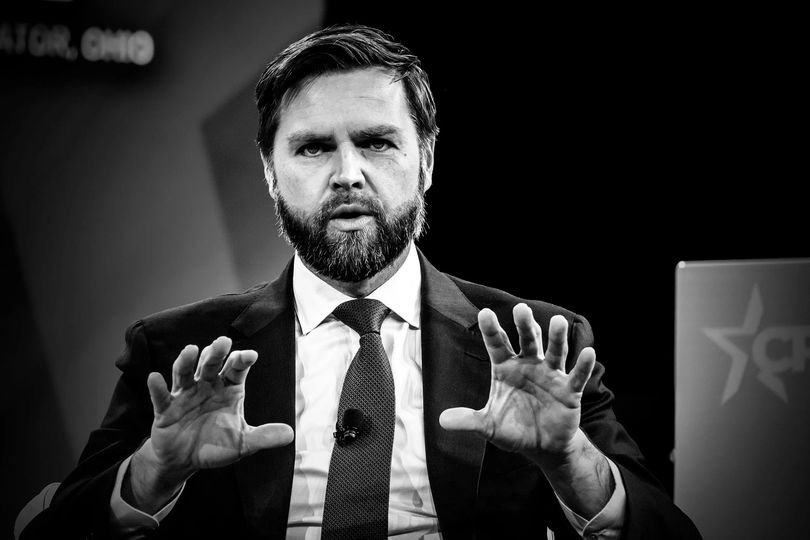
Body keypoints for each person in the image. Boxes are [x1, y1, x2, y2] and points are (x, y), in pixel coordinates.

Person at [22, 24, 701, 540]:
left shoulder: (542, 344)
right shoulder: (178, 350)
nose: (347, 173)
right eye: (314, 147)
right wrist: (152, 474)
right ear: (270, 173)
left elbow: (671, 532)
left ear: (426, 161)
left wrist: (570, 461)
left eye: (376, 142)